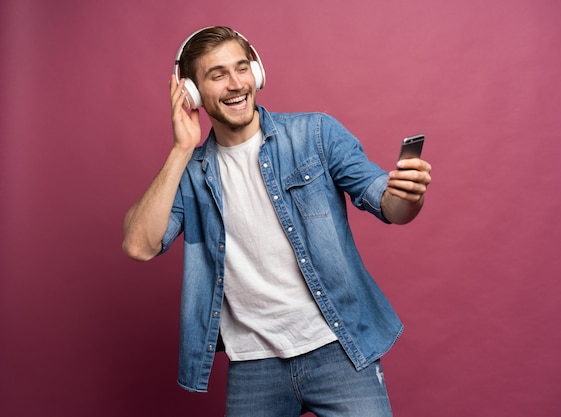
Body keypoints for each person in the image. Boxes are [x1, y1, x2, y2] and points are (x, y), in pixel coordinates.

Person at [122, 26, 432, 417]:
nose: (236, 84)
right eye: (217, 75)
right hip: (254, 366)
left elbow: (388, 206)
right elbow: (138, 245)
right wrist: (181, 148)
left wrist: (409, 195)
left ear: (257, 72)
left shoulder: (315, 134)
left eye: (242, 68)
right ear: (192, 91)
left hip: (338, 347)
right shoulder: (191, 175)